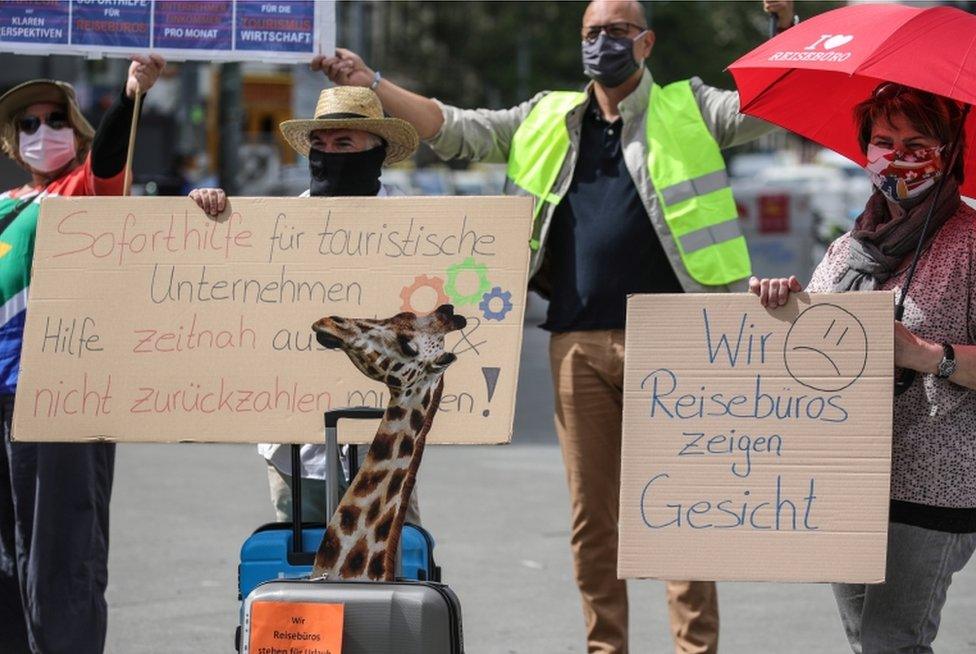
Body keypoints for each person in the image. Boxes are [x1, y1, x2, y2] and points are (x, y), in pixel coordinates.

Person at [317, 1, 795, 652]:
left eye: (619, 32)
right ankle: (606, 647)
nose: (603, 43)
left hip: (678, 341)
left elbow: (768, 106)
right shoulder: (544, 116)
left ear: (647, 43)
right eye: (592, 33)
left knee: (682, 517)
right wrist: (374, 83)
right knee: (591, 522)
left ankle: (695, 649)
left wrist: (786, 25)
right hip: (575, 343)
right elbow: (451, 128)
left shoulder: (692, 107)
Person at [750, 83, 975, 652]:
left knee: (889, 642)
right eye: (884, 141)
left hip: (935, 481)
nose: (897, 155)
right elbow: (808, 357)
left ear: (950, 151)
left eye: (917, 141)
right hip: (846, 479)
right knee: (865, 640)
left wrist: (924, 354)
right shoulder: (848, 248)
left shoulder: (972, 242)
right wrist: (783, 308)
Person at [189, 85, 422, 524]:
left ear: (376, 151)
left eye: (343, 144)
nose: (328, 154)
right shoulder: (274, 230)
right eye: (320, 144)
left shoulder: (418, 230)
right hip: (292, 449)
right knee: (300, 575)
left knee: (386, 569)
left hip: (384, 444)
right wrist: (206, 217)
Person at [0, 55, 165, 654]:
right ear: (13, 142)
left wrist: (127, 97)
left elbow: (110, 159)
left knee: (60, 554)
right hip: (2, 403)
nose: (43, 132)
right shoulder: (4, 204)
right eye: (28, 124)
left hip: (57, 402)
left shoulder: (85, 190)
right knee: (6, 560)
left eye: (56, 119)